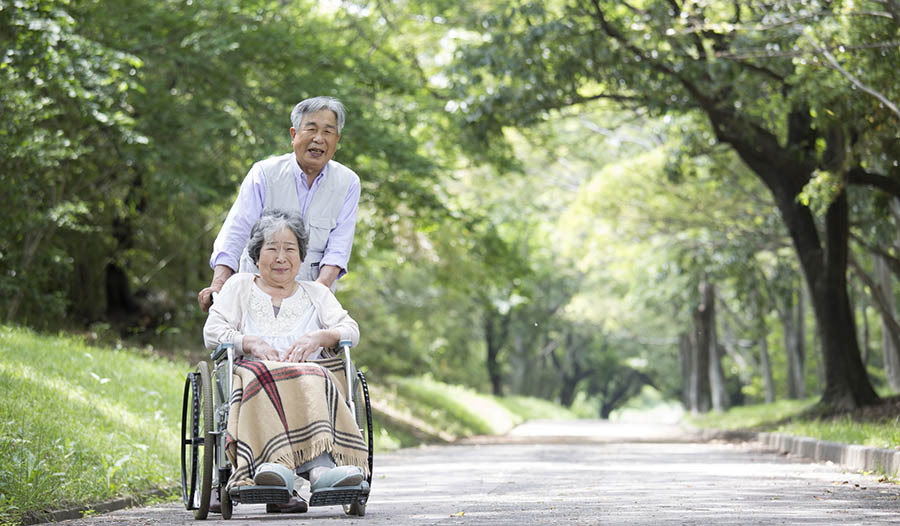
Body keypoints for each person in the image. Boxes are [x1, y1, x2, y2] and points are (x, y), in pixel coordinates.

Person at [204, 209, 366, 514]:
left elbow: (350, 330)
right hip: (252, 371)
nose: (281, 257)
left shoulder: (316, 292)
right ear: (256, 254)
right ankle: (271, 465)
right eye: (272, 248)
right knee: (259, 376)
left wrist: (319, 338)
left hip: (310, 374)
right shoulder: (239, 286)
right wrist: (247, 341)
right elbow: (213, 331)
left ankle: (320, 469)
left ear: (301, 256)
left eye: (290, 249)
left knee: (316, 375)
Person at [198, 96, 361, 312]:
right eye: (311, 129)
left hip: (312, 293)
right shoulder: (264, 173)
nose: (319, 139)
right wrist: (218, 284)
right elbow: (235, 232)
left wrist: (318, 294)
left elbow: (338, 248)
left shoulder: (348, 183)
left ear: (337, 141)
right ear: (293, 135)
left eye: (328, 132)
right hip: (255, 290)